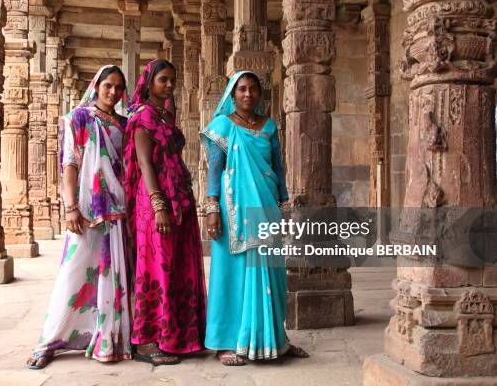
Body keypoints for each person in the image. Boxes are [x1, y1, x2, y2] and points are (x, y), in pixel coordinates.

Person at [200, 71, 309, 366]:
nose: (248, 94)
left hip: (266, 206)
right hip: (234, 209)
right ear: (232, 95)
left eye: (253, 89)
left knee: (271, 273)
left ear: (261, 95)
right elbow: (214, 170)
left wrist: (285, 205)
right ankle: (226, 343)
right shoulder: (222, 126)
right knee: (231, 273)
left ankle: (274, 339)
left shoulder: (270, 127)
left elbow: (279, 168)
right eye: (242, 89)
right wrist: (212, 209)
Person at [27, 65, 132, 369]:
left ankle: (108, 335)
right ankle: (49, 340)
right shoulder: (80, 118)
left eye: (118, 87)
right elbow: (70, 163)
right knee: (75, 270)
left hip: (119, 207)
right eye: (108, 85)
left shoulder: (124, 124)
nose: (113, 92)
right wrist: (71, 206)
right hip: (89, 207)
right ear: (97, 86)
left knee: (113, 272)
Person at [124, 59, 206, 365]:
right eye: (163, 80)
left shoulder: (166, 116)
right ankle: (146, 341)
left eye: (172, 79)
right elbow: (145, 163)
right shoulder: (142, 117)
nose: (169, 85)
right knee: (156, 268)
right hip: (154, 203)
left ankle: (180, 336)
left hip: (179, 199)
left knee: (178, 265)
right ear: (149, 83)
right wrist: (159, 205)